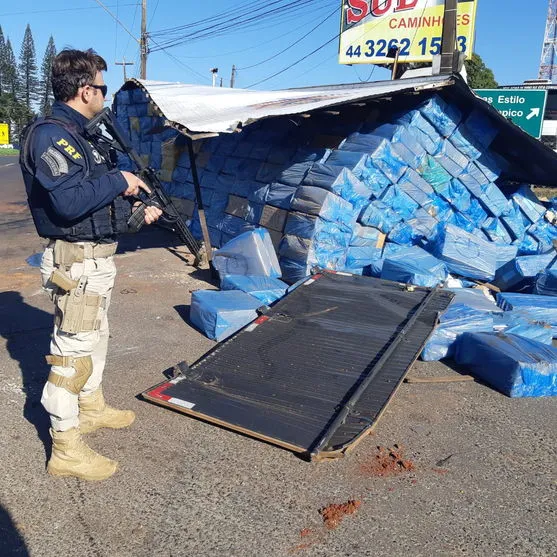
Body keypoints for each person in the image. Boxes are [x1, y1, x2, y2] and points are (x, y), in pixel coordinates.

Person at [19, 48, 162, 481]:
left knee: (96, 339)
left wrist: (133, 201)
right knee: (71, 358)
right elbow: (67, 203)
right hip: (74, 263)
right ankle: (65, 447)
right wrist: (120, 181)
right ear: (85, 90)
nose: (105, 94)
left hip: (96, 260)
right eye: (102, 87)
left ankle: (91, 407)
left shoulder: (81, 134)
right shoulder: (50, 135)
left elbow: (91, 193)